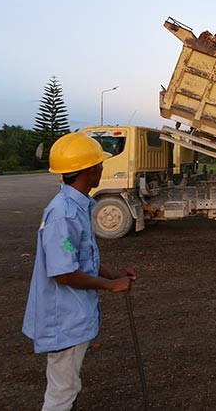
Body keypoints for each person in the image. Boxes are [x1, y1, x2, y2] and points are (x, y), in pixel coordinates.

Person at [22, 132, 138, 411]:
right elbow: (63, 274)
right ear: (88, 170)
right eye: (99, 164)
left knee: (67, 386)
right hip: (63, 318)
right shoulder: (63, 214)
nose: (102, 168)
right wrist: (110, 286)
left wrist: (111, 274)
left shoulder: (77, 205)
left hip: (72, 316)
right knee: (62, 392)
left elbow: (80, 255)